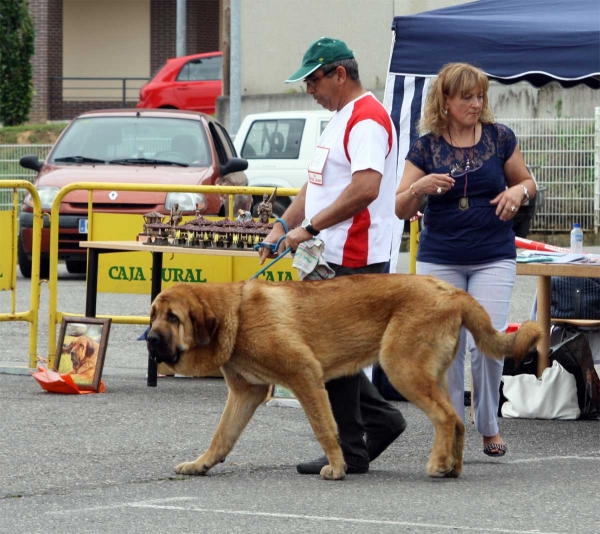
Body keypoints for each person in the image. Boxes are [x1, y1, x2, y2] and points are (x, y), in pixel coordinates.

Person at [258, 37, 406, 475]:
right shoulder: (341, 117)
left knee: (326, 354)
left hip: (354, 255)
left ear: (340, 74)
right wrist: (283, 224)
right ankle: (375, 427)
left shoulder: (366, 119)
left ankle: (354, 445)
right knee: (327, 354)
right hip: (331, 252)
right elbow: (317, 183)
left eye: (314, 80)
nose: (310, 90)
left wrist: (309, 228)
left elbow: (366, 188)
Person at [395, 62, 537, 457]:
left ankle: (488, 423)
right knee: (447, 347)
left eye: (480, 96)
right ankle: (452, 427)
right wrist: (420, 187)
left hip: (493, 254)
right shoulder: (426, 147)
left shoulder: (499, 137)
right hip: (440, 258)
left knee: (489, 343)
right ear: (445, 101)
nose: (476, 104)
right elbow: (400, 209)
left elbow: (527, 181)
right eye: (467, 97)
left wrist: (518, 194)